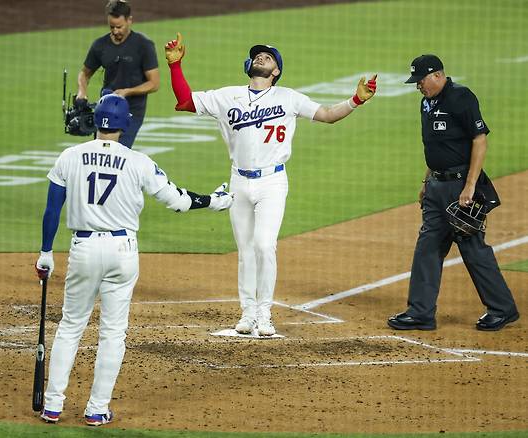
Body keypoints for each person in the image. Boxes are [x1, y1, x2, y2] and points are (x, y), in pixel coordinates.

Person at [34, 93, 233, 426]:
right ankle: (97, 409)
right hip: (122, 252)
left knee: (70, 327)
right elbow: (179, 202)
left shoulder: (70, 156)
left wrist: (45, 251)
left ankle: (53, 405)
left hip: (83, 249)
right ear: (126, 125)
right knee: (113, 333)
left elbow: (52, 208)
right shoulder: (139, 162)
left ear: (96, 121)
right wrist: (214, 201)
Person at [163, 33, 377, 336]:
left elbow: (328, 115)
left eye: (269, 56)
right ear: (249, 64)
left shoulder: (288, 97)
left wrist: (356, 100)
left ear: (276, 71)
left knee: (265, 245)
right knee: (245, 250)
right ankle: (247, 314)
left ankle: (265, 314)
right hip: (239, 181)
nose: (262, 57)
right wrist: (176, 66)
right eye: (258, 55)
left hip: (273, 182)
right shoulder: (228, 96)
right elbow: (185, 101)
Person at [388, 54, 519, 331]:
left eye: (420, 80)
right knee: (427, 247)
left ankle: (502, 308)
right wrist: (426, 183)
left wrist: (470, 186)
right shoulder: (426, 103)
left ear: (437, 75)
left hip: (459, 187)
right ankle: (421, 312)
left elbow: (479, 140)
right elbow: (436, 149)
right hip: (436, 187)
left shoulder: (461, 97)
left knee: (472, 248)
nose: (417, 86)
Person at [76, 0, 159, 148]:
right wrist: (82, 92)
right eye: (111, 27)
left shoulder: (143, 45)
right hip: (106, 108)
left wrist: (127, 92)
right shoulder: (100, 45)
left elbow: (154, 83)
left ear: (129, 20)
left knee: (119, 152)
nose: (115, 31)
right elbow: (84, 73)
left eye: (119, 27)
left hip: (132, 111)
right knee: (100, 152)